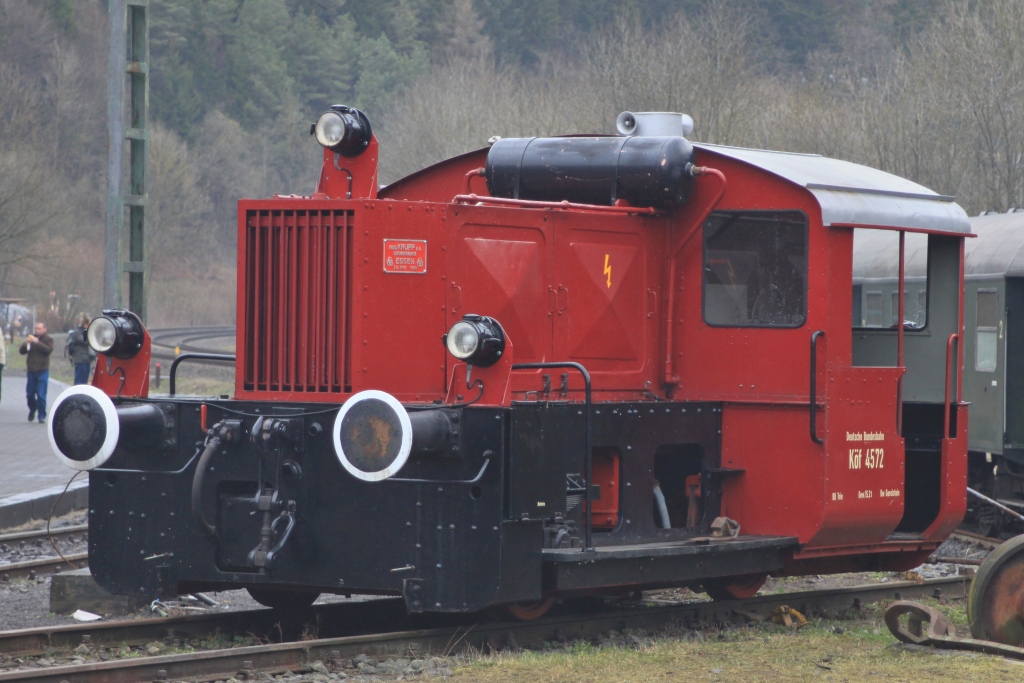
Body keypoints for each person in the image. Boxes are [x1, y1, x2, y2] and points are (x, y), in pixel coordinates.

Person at [20, 322, 53, 423]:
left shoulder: (48, 339)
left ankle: (41, 415)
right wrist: (26, 343)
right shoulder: (31, 338)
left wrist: (37, 342)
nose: (37, 330)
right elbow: (21, 351)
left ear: (44, 329)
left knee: (41, 394)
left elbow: (48, 350)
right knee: (29, 394)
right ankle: (32, 409)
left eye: (39, 328)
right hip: (31, 371)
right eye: (36, 328)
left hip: (43, 370)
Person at [66, 314, 95, 385]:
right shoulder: (77, 332)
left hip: (86, 360)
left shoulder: (86, 332)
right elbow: (85, 341)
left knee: (84, 380)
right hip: (80, 360)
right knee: (79, 381)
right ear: (85, 324)